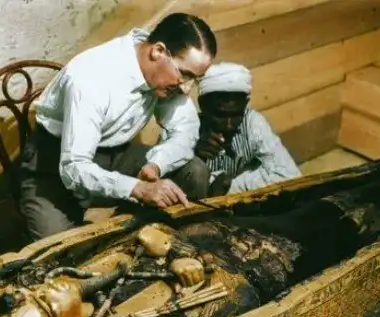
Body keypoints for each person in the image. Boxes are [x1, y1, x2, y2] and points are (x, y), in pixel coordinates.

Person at [17, 13, 217, 241]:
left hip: (113, 156)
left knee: (194, 172)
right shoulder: (91, 77)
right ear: (158, 51)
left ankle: (148, 236)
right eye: (185, 75)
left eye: (195, 79)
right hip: (53, 167)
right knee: (62, 252)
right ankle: (127, 229)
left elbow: (186, 130)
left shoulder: (164, 73)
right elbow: (74, 167)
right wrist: (138, 188)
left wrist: (157, 164)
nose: (186, 88)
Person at [192, 62, 302, 197]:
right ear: (202, 105)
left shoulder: (252, 122)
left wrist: (231, 186)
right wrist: (194, 157)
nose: (229, 125)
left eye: (236, 115)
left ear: (245, 104)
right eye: (220, 115)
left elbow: (290, 176)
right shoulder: (187, 129)